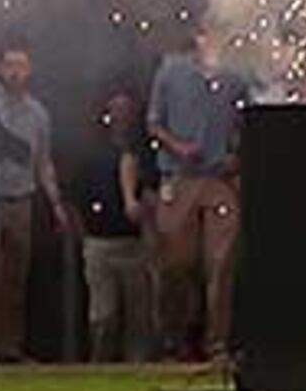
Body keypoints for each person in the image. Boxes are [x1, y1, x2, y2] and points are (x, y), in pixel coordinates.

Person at [148, 29, 251, 365]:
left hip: (219, 179)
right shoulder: (171, 71)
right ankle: (174, 337)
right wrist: (178, 146)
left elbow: (247, 122)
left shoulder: (236, 76)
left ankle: (216, 343)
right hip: (179, 179)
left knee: (221, 263)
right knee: (176, 262)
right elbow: (153, 123)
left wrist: (238, 156)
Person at [0, 42, 59, 363]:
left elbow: (43, 161)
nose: (14, 72)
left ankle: (9, 347)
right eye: (9, 64)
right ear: (0, 69)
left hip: (21, 201)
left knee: (16, 278)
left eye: (21, 66)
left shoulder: (38, 113)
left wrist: (54, 202)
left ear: (29, 71)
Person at [73, 85, 156, 362]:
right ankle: (100, 365)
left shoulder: (145, 153)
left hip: (133, 244)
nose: (121, 117)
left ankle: (137, 367)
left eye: (126, 111)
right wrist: (84, 235)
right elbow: (77, 195)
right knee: (103, 315)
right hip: (99, 243)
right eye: (115, 111)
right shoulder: (91, 154)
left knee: (138, 316)